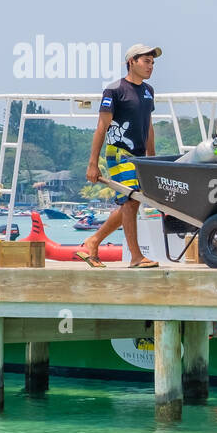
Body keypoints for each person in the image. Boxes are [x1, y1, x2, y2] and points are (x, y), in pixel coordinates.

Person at [80, 43, 162, 268]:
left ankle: (93, 240)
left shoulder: (148, 91)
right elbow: (101, 127)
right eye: (146, 61)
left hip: (138, 156)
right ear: (131, 62)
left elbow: (149, 126)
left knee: (132, 202)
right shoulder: (114, 90)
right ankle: (136, 257)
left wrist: (152, 158)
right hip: (118, 153)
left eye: (152, 63)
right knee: (131, 200)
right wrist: (93, 164)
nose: (150, 66)